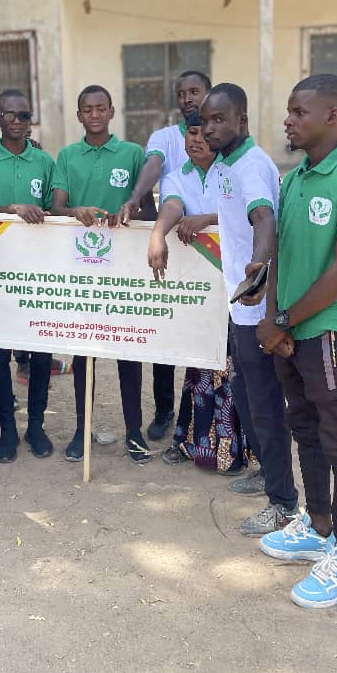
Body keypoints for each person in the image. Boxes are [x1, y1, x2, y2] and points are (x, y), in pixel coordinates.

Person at [256, 73, 337, 609]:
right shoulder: (294, 179)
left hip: (333, 330)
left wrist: (283, 319)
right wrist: (272, 317)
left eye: (298, 112)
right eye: (289, 111)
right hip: (291, 328)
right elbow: (280, 256)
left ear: (332, 115)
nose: (288, 120)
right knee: (303, 427)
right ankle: (319, 525)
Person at [201, 83, 298, 536]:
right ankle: (266, 474)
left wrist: (257, 270)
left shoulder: (252, 167)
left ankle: (283, 504)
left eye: (220, 119)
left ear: (242, 120)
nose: (210, 127)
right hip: (238, 303)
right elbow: (232, 217)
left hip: (257, 304)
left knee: (263, 404)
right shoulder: (225, 163)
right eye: (206, 120)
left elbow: (264, 218)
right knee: (245, 396)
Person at [51, 84, 152, 463]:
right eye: (87, 109)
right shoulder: (67, 156)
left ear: (112, 112)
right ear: (79, 116)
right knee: (84, 356)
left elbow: (145, 209)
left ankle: (135, 434)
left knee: (129, 354)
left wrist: (126, 216)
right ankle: (81, 431)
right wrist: (75, 211)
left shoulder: (131, 154)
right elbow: (56, 207)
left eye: (100, 108)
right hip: (81, 270)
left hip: (123, 271)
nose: (94, 114)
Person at [147, 114, 245, 473]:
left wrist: (206, 218)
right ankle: (193, 444)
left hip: (238, 288)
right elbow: (172, 205)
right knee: (200, 367)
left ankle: (237, 452)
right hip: (201, 291)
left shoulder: (234, 170)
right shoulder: (177, 176)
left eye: (205, 133)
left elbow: (252, 212)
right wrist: (159, 233)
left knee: (237, 370)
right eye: (191, 132)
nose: (198, 139)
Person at [119, 71, 212, 443]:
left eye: (195, 92)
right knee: (165, 331)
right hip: (174, 248)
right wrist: (136, 197)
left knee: (206, 341)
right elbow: (155, 167)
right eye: (182, 93)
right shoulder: (166, 139)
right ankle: (164, 410)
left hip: (215, 258)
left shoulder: (227, 146)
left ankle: (199, 424)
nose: (188, 98)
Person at [0, 90, 56, 462]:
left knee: (40, 352)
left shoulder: (43, 160)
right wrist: (14, 209)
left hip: (38, 271)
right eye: (11, 115)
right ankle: (7, 429)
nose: (19, 121)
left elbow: (55, 210)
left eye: (25, 115)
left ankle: (35, 426)